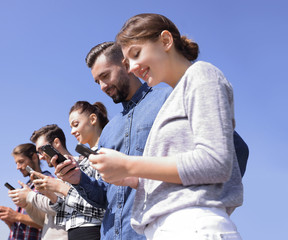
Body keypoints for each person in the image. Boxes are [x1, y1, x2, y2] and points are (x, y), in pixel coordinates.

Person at [55, 41, 249, 240]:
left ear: (125, 64)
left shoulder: (170, 98)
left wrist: (205, 204)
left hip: (160, 232)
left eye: (105, 76)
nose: (103, 86)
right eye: (98, 82)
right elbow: (106, 195)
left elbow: (236, 149)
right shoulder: (109, 131)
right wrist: (78, 179)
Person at [28, 124, 105, 240]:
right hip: (73, 234)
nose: (40, 157)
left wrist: (61, 188)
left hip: (92, 233)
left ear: (56, 143)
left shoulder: (86, 163)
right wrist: (49, 193)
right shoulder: (59, 176)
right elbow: (67, 213)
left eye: (42, 150)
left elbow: (100, 210)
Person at [0, 143, 46, 240]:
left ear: (34, 157)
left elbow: (48, 221)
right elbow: (24, 226)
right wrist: (10, 220)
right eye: (16, 163)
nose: (18, 167)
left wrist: (16, 216)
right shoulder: (27, 186)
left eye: (21, 162)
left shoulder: (46, 182)